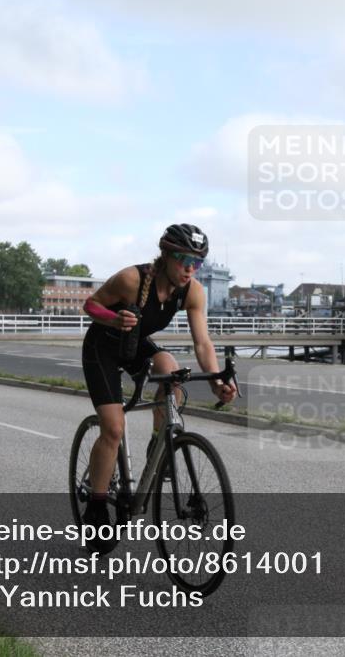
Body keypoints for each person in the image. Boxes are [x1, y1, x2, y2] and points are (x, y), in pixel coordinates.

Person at [80, 224, 236, 551]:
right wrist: (112, 320)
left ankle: (157, 444)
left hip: (135, 345)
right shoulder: (131, 279)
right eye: (182, 259)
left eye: (197, 262)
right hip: (102, 348)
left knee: (172, 369)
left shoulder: (192, 291)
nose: (190, 268)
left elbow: (203, 343)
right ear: (165, 255)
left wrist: (217, 380)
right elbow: (91, 305)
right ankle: (96, 503)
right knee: (113, 428)